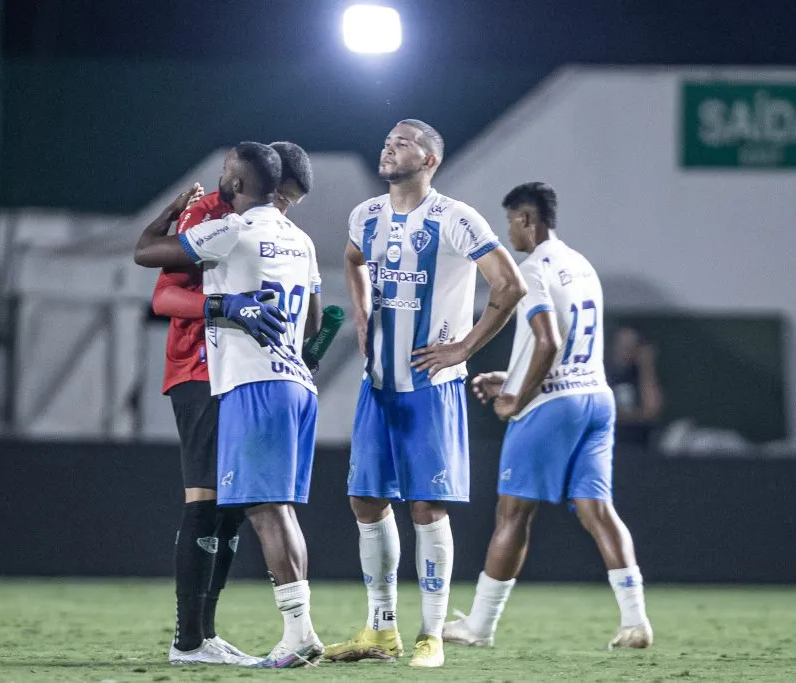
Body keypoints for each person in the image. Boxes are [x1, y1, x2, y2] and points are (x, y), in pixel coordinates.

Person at [324, 120, 527, 668]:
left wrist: (464, 347)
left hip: (431, 389)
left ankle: (431, 635)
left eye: (403, 141)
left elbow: (509, 286)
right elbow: (351, 260)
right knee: (365, 500)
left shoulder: (455, 218)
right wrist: (363, 318)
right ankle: (381, 628)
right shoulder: (365, 215)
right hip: (379, 386)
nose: (389, 146)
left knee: (426, 506)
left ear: (431, 159)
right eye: (386, 139)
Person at [135, 141, 325, 668]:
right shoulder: (232, 221)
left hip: (246, 378)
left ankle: (209, 638)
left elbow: (146, 250)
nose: (287, 207)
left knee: (244, 508)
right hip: (218, 373)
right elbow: (162, 296)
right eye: (285, 195)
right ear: (267, 184)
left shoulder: (240, 226)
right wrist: (224, 304)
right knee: (227, 503)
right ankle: (194, 638)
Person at [442, 182, 653, 651]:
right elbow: (570, 346)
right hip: (595, 399)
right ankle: (636, 621)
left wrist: (516, 397)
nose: (509, 232)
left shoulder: (532, 269)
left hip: (551, 405)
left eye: (511, 223)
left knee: (512, 514)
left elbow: (548, 341)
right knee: (599, 511)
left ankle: (479, 625)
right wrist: (512, 376)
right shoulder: (582, 264)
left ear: (525, 220)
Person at [607, 327, 663, 446]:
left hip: (640, 444)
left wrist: (647, 366)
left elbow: (651, 410)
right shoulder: (605, 373)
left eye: (630, 346)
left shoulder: (642, 376)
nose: (624, 351)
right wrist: (636, 415)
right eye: (621, 346)